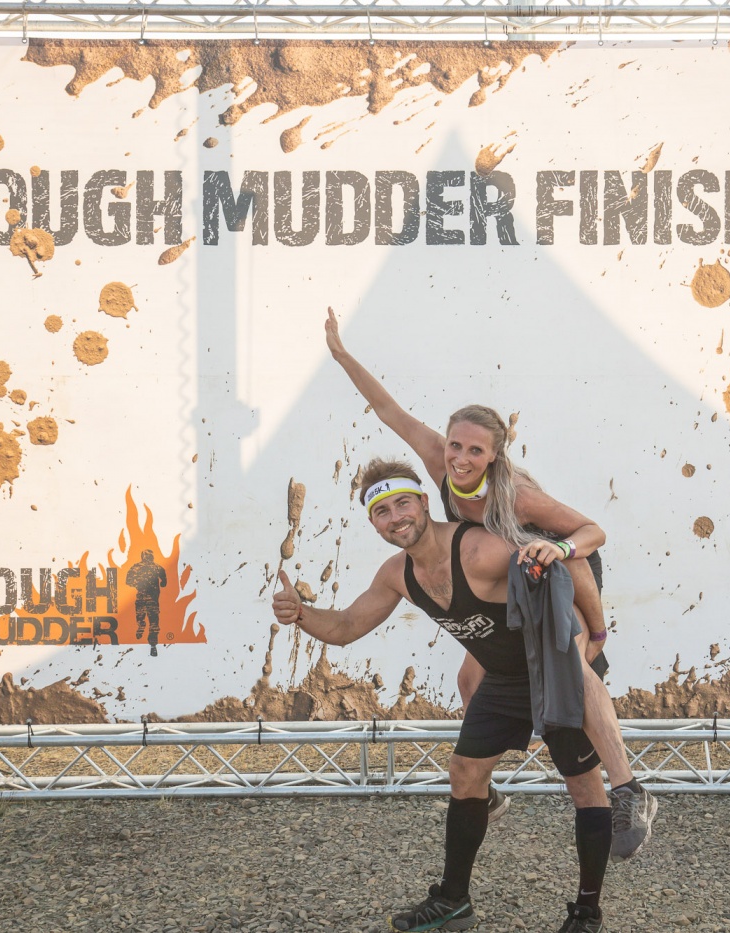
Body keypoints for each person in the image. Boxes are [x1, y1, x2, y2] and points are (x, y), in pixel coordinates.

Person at [325, 308, 656, 859]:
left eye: (474, 451)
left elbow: (590, 533)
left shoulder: (516, 495)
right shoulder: (441, 465)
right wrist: (341, 355)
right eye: (455, 445)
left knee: (574, 667)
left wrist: (593, 625)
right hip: (512, 578)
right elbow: (389, 411)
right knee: (469, 679)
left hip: (559, 570)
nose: (460, 458)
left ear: (494, 455)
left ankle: (629, 791)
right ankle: (484, 790)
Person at [273, 460, 611, 933]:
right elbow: (347, 626)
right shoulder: (397, 574)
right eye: (382, 511)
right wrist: (300, 614)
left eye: (403, 504)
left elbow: (569, 558)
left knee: (585, 787)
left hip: (554, 668)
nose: (396, 517)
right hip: (503, 678)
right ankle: (454, 901)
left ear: (423, 502)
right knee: (465, 772)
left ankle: (587, 913)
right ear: (373, 523)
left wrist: (593, 633)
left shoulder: (480, 549)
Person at [125, 549, 167, 656]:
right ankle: (142, 628)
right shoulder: (149, 567)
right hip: (146, 598)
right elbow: (128, 580)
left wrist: (137, 583)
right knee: (148, 619)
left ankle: (152, 644)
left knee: (151, 621)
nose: (149, 558)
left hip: (149, 599)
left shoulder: (150, 567)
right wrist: (138, 583)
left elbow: (164, 577)